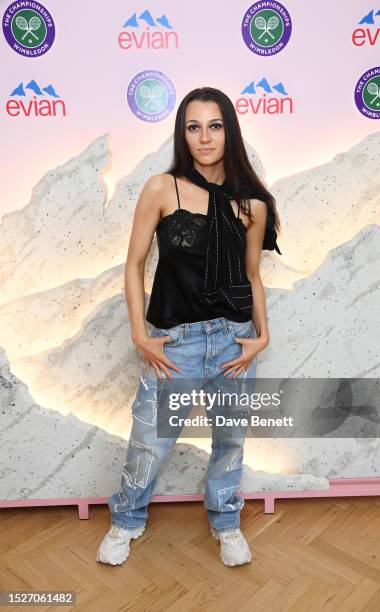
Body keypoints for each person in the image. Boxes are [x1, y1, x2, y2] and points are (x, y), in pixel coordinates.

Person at [96, 86, 281, 567]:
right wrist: (141, 333)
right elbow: (134, 265)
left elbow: (253, 276)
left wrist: (261, 336)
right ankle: (127, 520)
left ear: (229, 130)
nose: (204, 137)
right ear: (182, 134)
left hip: (231, 340)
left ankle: (225, 521)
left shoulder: (251, 204)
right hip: (173, 342)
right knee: (147, 443)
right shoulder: (163, 188)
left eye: (215, 125)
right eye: (193, 127)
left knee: (230, 441)